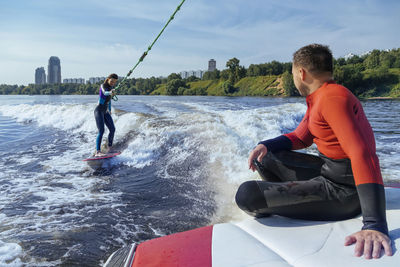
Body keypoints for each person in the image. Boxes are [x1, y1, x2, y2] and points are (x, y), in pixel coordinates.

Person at [235, 44, 392, 259]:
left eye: (293, 74)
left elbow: (361, 153)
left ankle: (292, 200)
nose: (294, 79)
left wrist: (375, 224)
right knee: (266, 157)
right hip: (329, 171)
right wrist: (266, 145)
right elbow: (301, 137)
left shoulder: (332, 98)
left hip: (345, 191)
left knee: (247, 195)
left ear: (301, 73)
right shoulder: (320, 97)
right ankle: (294, 197)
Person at [94, 73, 118, 157]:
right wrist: (111, 92)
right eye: (112, 81)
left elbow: (109, 100)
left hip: (105, 111)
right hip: (99, 110)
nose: (113, 83)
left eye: (114, 82)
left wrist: (110, 110)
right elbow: (105, 93)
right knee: (101, 131)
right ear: (108, 79)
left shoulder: (111, 88)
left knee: (112, 129)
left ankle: (110, 148)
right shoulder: (103, 86)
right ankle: (98, 151)